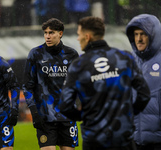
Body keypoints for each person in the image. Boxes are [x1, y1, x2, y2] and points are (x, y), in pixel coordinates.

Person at [58, 16, 150, 150]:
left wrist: (84, 117)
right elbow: (144, 94)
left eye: (79, 35)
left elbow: (65, 104)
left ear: (87, 36)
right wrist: (128, 113)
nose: (78, 39)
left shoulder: (79, 65)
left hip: (94, 139)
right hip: (123, 138)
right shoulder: (125, 58)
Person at [22, 18, 79, 150]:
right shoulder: (36, 54)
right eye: (46, 33)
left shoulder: (71, 54)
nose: (47, 36)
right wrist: (34, 112)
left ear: (60, 33)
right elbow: (27, 85)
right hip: (45, 115)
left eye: (51, 33)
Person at [126, 14, 161, 150]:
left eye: (143, 34)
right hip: (133, 139)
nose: (139, 39)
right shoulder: (129, 60)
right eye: (136, 34)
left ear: (153, 35)